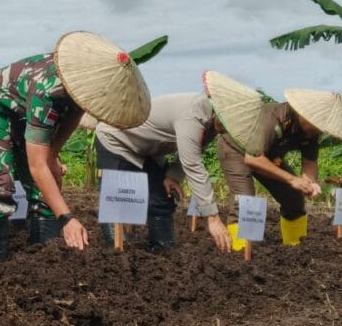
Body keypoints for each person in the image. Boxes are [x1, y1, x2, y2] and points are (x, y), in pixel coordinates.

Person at [0, 31, 151, 259]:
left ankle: (45, 256)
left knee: (45, 189)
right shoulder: (47, 93)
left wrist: (53, 155)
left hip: (23, 109)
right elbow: (37, 166)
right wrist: (66, 217)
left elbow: (73, 116)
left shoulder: (84, 87)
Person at [95, 91, 259, 253]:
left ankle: (164, 249)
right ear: (220, 113)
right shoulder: (193, 114)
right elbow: (193, 164)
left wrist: (173, 176)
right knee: (116, 200)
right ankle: (118, 253)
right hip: (116, 139)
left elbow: (194, 149)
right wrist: (212, 217)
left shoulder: (211, 123)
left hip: (148, 149)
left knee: (162, 198)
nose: (226, 131)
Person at [217, 81, 342, 247]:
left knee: (294, 199)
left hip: (268, 156)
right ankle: (239, 252)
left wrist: (309, 182)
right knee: (245, 201)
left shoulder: (311, 133)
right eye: (317, 125)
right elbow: (252, 159)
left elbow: (310, 162)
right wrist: (292, 180)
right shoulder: (274, 118)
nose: (319, 131)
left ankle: (295, 247)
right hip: (237, 151)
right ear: (303, 114)